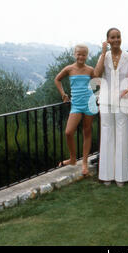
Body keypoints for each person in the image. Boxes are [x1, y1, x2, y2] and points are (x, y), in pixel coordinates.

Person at [94, 28, 128, 187]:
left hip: (123, 102)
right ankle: (106, 176)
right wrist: (102, 52)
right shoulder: (104, 57)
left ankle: (121, 177)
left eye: (118, 37)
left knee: (121, 136)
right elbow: (96, 74)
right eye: (112, 37)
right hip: (106, 101)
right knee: (106, 135)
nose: (116, 40)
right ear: (107, 39)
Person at [55, 44, 98, 176]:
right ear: (75, 54)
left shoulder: (90, 70)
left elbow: (97, 81)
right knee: (68, 132)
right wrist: (63, 94)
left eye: (83, 54)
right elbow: (57, 79)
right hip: (76, 105)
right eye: (79, 54)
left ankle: (84, 162)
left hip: (89, 103)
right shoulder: (69, 69)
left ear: (87, 56)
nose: (81, 56)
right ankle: (73, 159)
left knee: (87, 131)